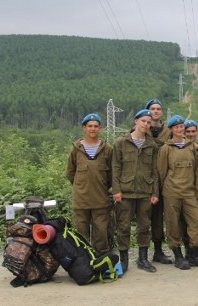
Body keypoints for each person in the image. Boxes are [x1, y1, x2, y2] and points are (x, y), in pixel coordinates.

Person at [157, 115, 198, 270]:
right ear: (171, 130)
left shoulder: (193, 147)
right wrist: (160, 193)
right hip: (171, 192)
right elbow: (161, 172)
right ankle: (178, 256)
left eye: (182, 127)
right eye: (177, 127)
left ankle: (193, 254)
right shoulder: (166, 148)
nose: (180, 130)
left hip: (190, 192)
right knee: (173, 225)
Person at [111, 109, 159, 273]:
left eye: (149, 122)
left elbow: (155, 171)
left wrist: (155, 192)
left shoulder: (152, 145)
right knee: (123, 227)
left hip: (145, 192)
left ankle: (143, 259)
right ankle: (123, 260)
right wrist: (116, 190)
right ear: (136, 121)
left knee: (144, 226)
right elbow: (115, 168)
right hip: (125, 192)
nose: (146, 124)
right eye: (143, 121)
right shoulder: (121, 142)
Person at [66, 112, 113, 253]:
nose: (93, 129)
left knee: (101, 232)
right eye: (90, 126)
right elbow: (70, 172)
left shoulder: (108, 149)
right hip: (81, 201)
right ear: (84, 128)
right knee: (81, 233)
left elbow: (112, 173)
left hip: (101, 199)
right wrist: (82, 186)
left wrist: (101, 186)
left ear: (100, 128)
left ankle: (101, 259)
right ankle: (84, 261)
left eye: (96, 126)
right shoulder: (75, 149)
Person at [144, 99, 173, 265]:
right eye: (152, 109)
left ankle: (158, 250)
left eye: (158, 109)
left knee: (157, 217)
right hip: (143, 180)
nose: (155, 111)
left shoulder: (168, 132)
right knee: (142, 217)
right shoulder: (139, 130)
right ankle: (142, 252)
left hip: (162, 180)